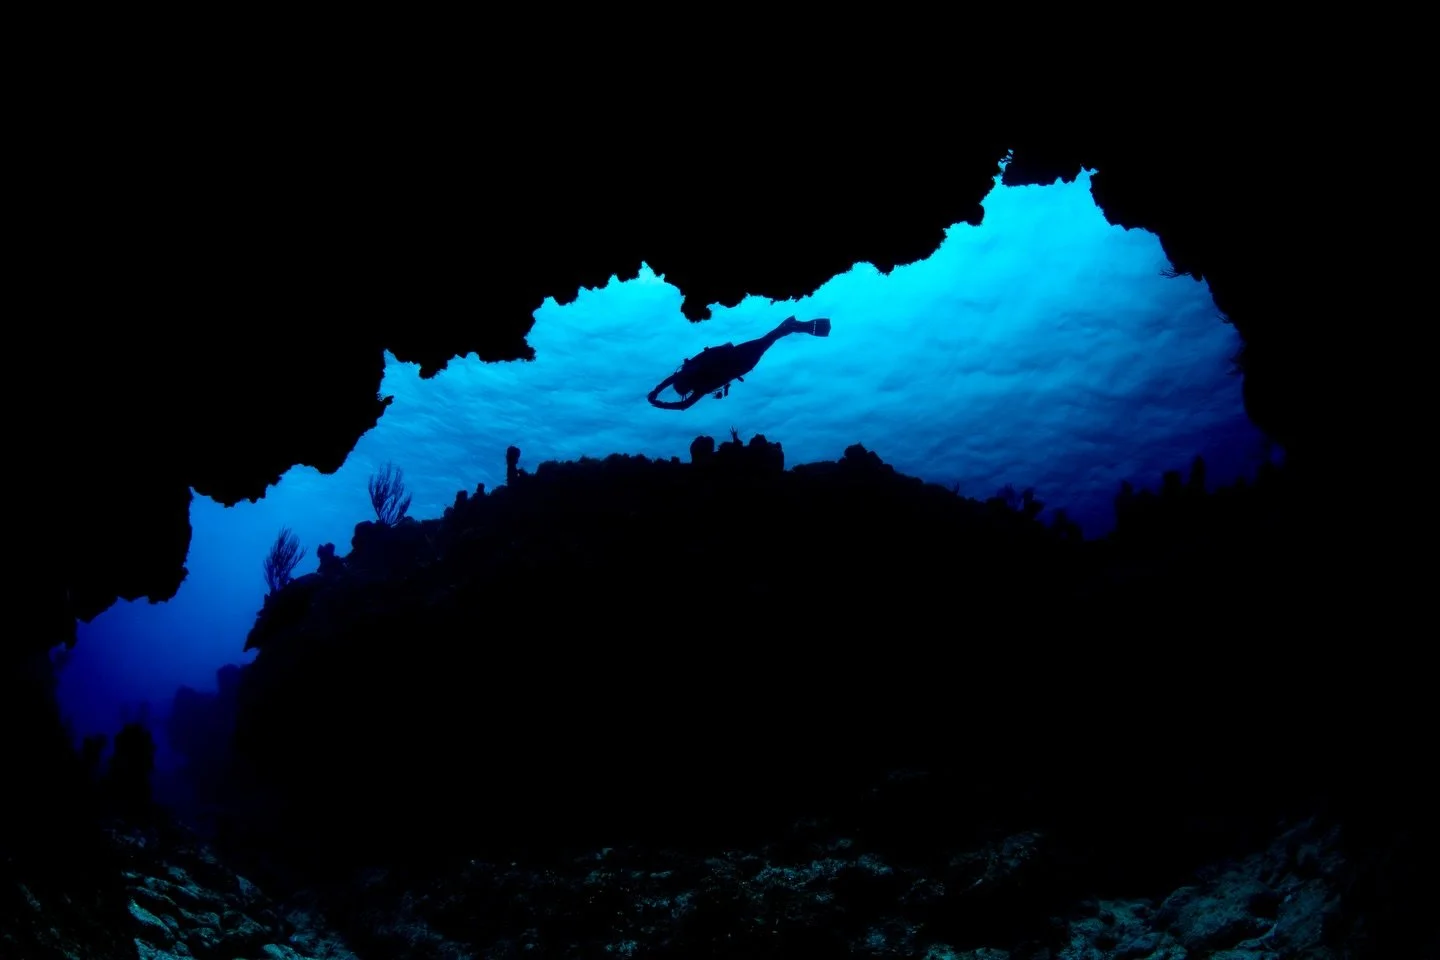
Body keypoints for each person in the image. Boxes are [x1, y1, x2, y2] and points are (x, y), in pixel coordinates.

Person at [647, 316, 831, 410]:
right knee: (766, 340)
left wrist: (660, 401)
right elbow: (676, 386)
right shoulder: (696, 381)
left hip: (741, 364)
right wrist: (657, 394)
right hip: (737, 359)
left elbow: (682, 405)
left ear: (685, 388)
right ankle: (793, 325)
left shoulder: (696, 383)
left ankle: (793, 326)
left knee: (766, 341)